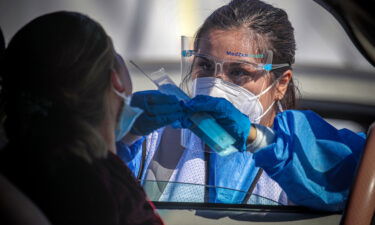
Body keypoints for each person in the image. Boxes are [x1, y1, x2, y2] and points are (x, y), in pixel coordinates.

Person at [119, 0, 366, 211]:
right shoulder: (153, 140)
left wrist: (255, 139)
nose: (214, 88)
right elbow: (92, 189)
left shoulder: (300, 147)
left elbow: (350, 180)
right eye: (205, 66)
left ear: (281, 83)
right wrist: (122, 132)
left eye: (239, 72)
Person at [0, 11, 163, 225]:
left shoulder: (14, 163)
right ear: (115, 81)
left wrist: (127, 139)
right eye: (115, 57)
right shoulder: (92, 188)